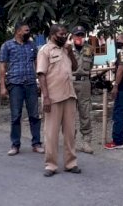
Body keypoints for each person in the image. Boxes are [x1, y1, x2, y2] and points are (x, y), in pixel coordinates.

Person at [37, 24, 81, 176]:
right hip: (53, 97)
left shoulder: (66, 49)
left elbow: (75, 68)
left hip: (69, 95)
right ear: (53, 34)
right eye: (61, 34)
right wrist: (46, 97)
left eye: (65, 34)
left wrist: (71, 53)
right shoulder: (45, 51)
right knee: (51, 133)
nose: (64, 36)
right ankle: (51, 165)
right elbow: (41, 74)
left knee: (70, 133)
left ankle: (71, 163)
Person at [0, 22, 44, 155]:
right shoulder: (7, 46)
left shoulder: (32, 45)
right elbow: (2, 67)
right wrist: (2, 86)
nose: (28, 32)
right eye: (26, 30)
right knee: (15, 116)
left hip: (30, 84)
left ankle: (36, 143)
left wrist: (40, 82)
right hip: (15, 84)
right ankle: (15, 145)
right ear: (18, 31)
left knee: (34, 115)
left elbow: (37, 64)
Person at [70, 25, 95, 154]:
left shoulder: (89, 49)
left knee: (85, 112)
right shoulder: (67, 50)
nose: (79, 37)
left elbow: (90, 65)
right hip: (70, 82)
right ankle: (71, 142)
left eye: (81, 35)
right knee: (70, 113)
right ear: (73, 36)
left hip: (85, 82)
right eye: (77, 35)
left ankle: (86, 141)